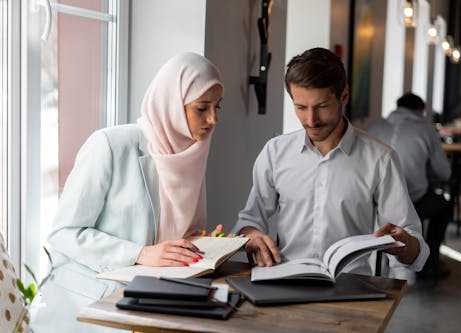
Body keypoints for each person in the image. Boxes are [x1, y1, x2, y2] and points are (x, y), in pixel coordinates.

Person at [31, 52, 224, 332]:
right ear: (171, 103)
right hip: (92, 303)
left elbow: (168, 234)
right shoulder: (110, 145)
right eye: (202, 108)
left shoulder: (190, 153)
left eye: (218, 107)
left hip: (159, 296)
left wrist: (199, 243)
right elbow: (64, 233)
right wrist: (139, 253)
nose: (213, 119)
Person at [232, 48, 429, 278]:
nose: (311, 120)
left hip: (352, 286)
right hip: (285, 283)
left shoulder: (381, 159)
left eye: (322, 106)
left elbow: (416, 252)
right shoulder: (275, 152)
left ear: (344, 96)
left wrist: (403, 242)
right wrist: (251, 235)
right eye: (301, 107)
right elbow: (248, 220)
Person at [369, 92, 452, 282]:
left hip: (373, 203)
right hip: (414, 198)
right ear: (419, 110)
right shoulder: (426, 129)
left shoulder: (375, 126)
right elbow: (443, 173)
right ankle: (429, 262)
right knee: (444, 207)